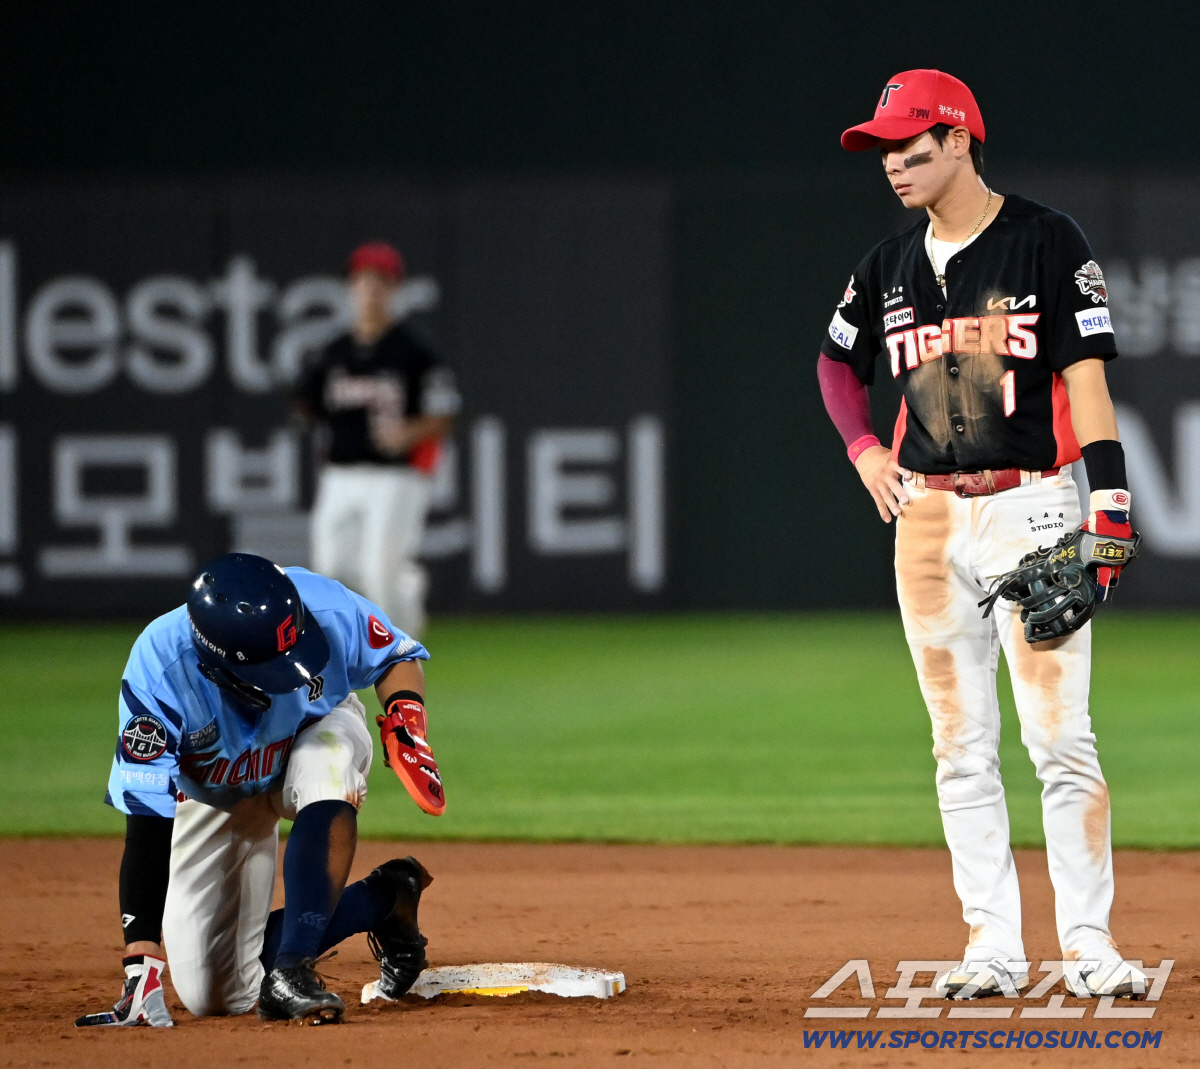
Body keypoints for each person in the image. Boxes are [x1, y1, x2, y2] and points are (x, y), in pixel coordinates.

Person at [818, 69, 1146, 999]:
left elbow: (1086, 380)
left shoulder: (1046, 240)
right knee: (959, 746)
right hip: (924, 519)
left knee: (1060, 738)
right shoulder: (887, 265)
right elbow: (835, 364)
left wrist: (1109, 506)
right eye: (884, 151)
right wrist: (862, 451)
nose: (894, 166)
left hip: (1032, 507)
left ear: (961, 140)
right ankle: (992, 945)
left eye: (911, 148)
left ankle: (1088, 942)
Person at [76, 553, 446, 1027]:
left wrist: (407, 723)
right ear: (218, 666)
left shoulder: (323, 604)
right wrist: (140, 966)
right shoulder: (162, 672)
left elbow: (398, 656)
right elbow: (147, 824)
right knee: (215, 993)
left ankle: (292, 969)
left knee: (326, 765)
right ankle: (385, 898)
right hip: (219, 793)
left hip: (313, 731)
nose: (289, 669)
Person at [297, 241, 461, 638]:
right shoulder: (333, 351)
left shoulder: (414, 350)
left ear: (393, 289)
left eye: (379, 282)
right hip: (341, 471)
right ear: (351, 288)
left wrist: (409, 431)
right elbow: (307, 403)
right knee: (330, 568)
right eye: (362, 281)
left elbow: (444, 413)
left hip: (396, 473)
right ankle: (407, 588)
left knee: (377, 572)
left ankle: (397, 653)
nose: (369, 290)